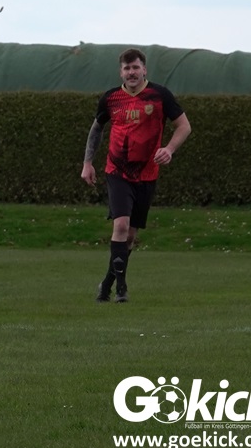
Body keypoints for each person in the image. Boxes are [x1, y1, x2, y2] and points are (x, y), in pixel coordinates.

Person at [81, 48, 191, 304]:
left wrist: (169, 149)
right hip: (117, 172)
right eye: (127, 68)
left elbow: (184, 126)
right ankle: (121, 289)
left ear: (144, 70)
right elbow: (96, 129)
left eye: (135, 67)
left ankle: (107, 283)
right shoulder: (111, 98)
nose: (131, 72)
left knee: (130, 235)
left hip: (147, 174)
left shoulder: (160, 95)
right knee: (120, 225)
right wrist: (87, 163)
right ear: (121, 72)